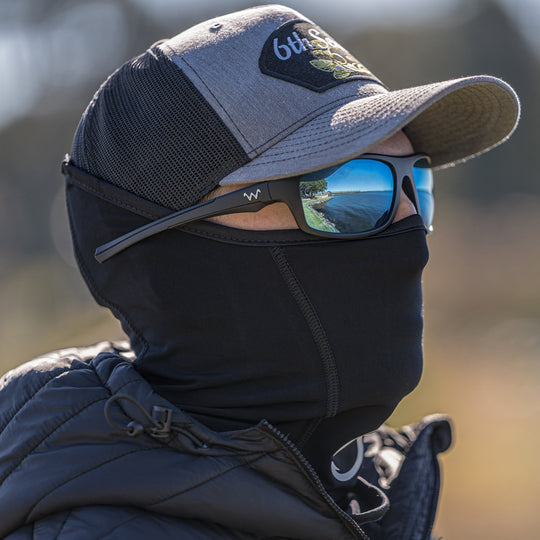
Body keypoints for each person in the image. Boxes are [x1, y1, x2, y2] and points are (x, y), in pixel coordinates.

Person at [0, 4, 519, 539]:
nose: (409, 228)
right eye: (343, 191)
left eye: (416, 184)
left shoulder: (363, 489)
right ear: (175, 251)